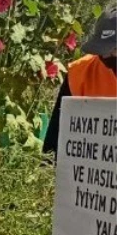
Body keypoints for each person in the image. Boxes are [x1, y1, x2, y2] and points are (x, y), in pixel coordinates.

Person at [43, 8, 117, 157]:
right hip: (92, 173)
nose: (107, 55)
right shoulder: (80, 74)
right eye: (102, 49)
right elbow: (55, 140)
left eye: (115, 48)